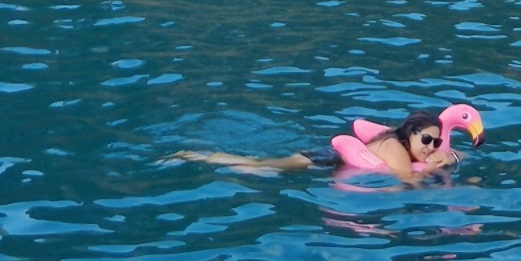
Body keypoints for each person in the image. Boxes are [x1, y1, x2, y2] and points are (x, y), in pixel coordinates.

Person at [171, 108, 462, 182]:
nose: (430, 146)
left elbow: (451, 154)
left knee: (264, 169)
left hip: (329, 161)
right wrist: (440, 168)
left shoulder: (403, 145)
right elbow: (407, 179)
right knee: (261, 168)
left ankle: (201, 156)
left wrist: (451, 158)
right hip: (323, 158)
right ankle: (197, 156)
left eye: (436, 141)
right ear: (409, 134)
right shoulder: (395, 148)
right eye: (425, 139)